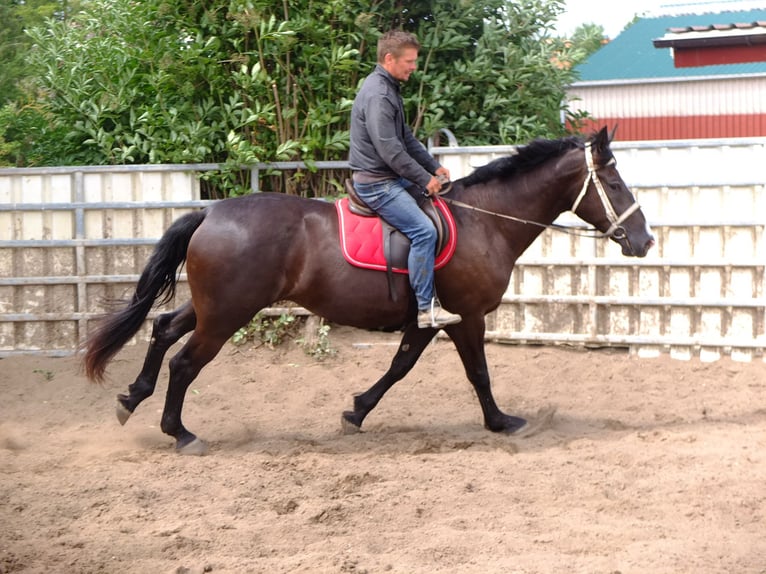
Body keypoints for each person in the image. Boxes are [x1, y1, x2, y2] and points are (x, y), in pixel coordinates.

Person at [348, 30, 462, 329]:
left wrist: (433, 166)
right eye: (409, 61)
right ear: (389, 59)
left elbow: (406, 139)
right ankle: (426, 309)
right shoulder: (379, 94)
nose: (413, 66)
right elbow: (389, 149)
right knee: (424, 232)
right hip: (378, 184)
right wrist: (424, 179)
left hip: (389, 177)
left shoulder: (389, 88)